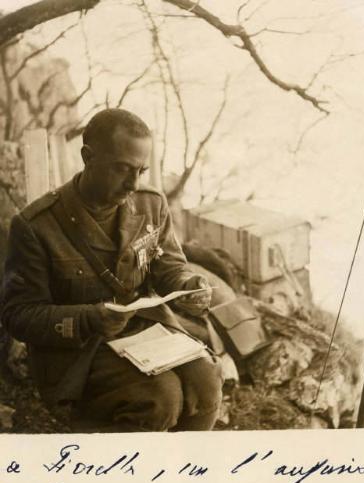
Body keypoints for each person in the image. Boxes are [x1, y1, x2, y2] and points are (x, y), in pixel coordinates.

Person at [1, 108, 223, 432]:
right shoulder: (36, 226)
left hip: (145, 332)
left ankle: (180, 474)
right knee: (160, 398)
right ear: (88, 157)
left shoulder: (150, 205)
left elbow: (167, 264)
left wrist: (187, 283)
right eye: (122, 169)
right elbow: (18, 315)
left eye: (141, 171)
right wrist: (90, 317)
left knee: (207, 383)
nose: (133, 184)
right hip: (79, 351)